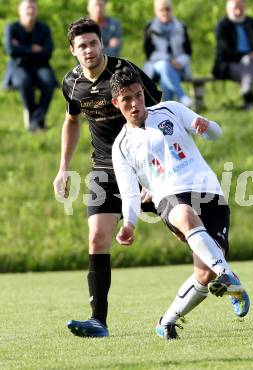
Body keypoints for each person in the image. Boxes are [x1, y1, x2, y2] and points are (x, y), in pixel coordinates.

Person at [110, 67, 250, 340]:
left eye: (138, 95)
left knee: (205, 272)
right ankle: (231, 281)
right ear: (116, 102)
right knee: (185, 216)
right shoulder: (122, 146)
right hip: (169, 196)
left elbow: (215, 133)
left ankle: (166, 321)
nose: (135, 103)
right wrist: (129, 223)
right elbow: (129, 193)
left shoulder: (170, 109)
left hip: (209, 192)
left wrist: (207, 128)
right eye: (127, 99)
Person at [52, 17, 161, 338]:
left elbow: (158, 114)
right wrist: (63, 167)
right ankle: (98, 320)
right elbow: (71, 120)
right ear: (73, 50)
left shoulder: (124, 72)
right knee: (97, 238)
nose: (88, 50)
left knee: (183, 225)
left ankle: (217, 270)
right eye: (82, 46)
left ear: (102, 43)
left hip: (143, 166)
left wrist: (153, 174)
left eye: (93, 43)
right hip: (104, 168)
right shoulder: (72, 83)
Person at [3, 0, 57, 131]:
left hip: (41, 66)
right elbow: (10, 50)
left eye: (33, 8)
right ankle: (36, 122)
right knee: (24, 81)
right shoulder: (12, 28)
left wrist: (22, 49)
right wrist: (32, 49)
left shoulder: (44, 28)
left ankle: (35, 121)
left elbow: (48, 51)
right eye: (27, 8)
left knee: (49, 82)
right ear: (19, 10)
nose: (30, 11)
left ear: (37, 11)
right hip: (18, 67)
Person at [212, 0, 253, 110]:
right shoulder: (222, 26)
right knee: (248, 63)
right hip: (229, 65)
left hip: (251, 64)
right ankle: (249, 99)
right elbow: (225, 52)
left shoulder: (252, 23)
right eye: (235, 9)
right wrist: (248, 55)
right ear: (228, 10)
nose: (238, 12)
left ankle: (247, 94)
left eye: (241, 8)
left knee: (248, 62)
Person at [143, 0, 193, 106]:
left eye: (168, 9)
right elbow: (149, 53)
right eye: (161, 10)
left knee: (165, 77)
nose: (165, 12)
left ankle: (168, 109)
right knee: (164, 66)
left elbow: (188, 52)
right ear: (156, 12)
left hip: (178, 66)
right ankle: (182, 95)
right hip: (156, 65)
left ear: (172, 10)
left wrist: (179, 61)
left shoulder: (181, 27)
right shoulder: (150, 28)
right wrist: (168, 59)